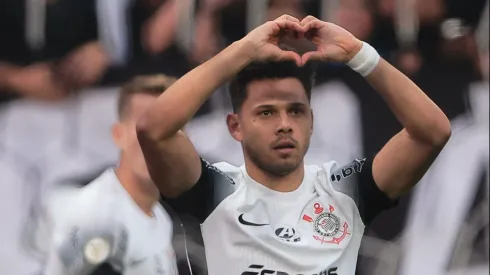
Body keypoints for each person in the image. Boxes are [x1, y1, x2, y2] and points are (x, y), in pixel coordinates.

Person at [136, 14, 451, 274]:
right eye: (267, 112)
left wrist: (359, 54)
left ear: (311, 122)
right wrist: (242, 50)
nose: (284, 124)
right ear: (236, 127)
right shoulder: (214, 192)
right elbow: (154, 130)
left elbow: (432, 132)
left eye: (296, 111)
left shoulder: (345, 192)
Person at [40, 75, 179, 275]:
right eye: (145, 125)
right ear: (118, 135)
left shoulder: (160, 217)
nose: (156, 138)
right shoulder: (97, 216)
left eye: (170, 126)